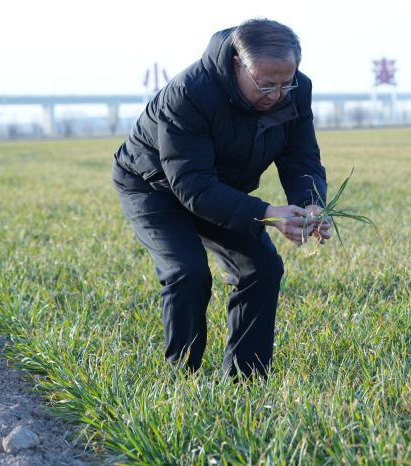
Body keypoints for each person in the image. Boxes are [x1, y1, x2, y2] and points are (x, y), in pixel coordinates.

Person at [111, 18, 330, 381]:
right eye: (264, 83)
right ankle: (182, 378)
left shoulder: (296, 90)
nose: (275, 94)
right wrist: (266, 213)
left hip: (220, 186)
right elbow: (193, 187)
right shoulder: (189, 93)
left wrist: (310, 203)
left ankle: (246, 380)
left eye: (284, 82)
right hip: (154, 185)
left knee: (262, 268)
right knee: (187, 272)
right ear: (236, 64)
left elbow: (301, 157)